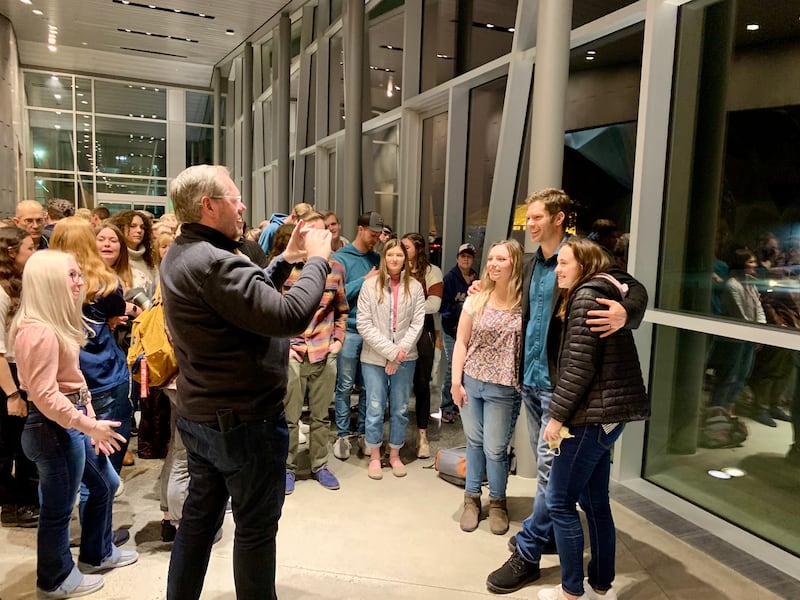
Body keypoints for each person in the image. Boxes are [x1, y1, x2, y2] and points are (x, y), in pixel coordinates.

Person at [159, 164, 331, 600]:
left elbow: (243, 301)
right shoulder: (215, 262)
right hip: (244, 425)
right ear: (208, 205)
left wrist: (285, 261)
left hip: (204, 416)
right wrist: (317, 261)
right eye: (235, 199)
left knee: (198, 522)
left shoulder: (183, 250)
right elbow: (288, 315)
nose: (243, 207)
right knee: (255, 530)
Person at [486, 188, 647, 594]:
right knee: (558, 480)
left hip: (565, 392)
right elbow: (508, 294)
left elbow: (635, 290)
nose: (530, 224)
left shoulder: (585, 258)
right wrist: (480, 292)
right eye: (528, 217)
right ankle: (556, 543)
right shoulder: (531, 263)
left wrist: (626, 312)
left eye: (537, 217)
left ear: (559, 219)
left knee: (551, 479)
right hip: (532, 381)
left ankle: (529, 552)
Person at [13, 250, 136, 599]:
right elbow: (45, 395)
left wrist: (90, 420)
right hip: (53, 428)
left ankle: (98, 553)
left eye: (78, 274)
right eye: (71, 275)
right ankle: (54, 579)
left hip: (69, 422)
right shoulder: (38, 331)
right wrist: (88, 424)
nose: (80, 282)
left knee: (105, 483)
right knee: (59, 508)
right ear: (49, 281)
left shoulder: (54, 324)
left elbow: (74, 380)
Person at [538, 238, 649, 600]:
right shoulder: (604, 288)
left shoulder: (586, 296)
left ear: (583, 265)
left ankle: (572, 592)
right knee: (596, 503)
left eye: (564, 263)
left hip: (590, 418)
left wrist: (556, 417)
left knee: (559, 502)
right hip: (607, 417)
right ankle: (600, 587)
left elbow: (578, 367)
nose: (557, 270)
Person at [451, 239, 523, 535]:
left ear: (514, 263)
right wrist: (455, 382)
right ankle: (471, 499)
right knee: (474, 442)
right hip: (472, 382)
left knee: (495, 449)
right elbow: (461, 342)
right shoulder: (476, 298)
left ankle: (497, 502)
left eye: (501, 259)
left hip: (504, 388)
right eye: (491, 258)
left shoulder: (525, 303)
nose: (493, 264)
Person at [51, 218, 133, 475]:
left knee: (69, 457)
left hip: (60, 380)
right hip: (102, 373)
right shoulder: (104, 281)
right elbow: (118, 309)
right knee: (106, 454)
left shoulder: (42, 280)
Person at [275, 214, 349, 494]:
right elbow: (273, 311)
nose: (321, 238)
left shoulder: (336, 268)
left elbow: (342, 309)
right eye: (314, 233)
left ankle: (320, 465)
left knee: (320, 416)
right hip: (292, 351)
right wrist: (284, 345)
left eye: (324, 233)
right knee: (289, 417)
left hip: (324, 350)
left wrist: (338, 341)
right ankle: (288, 467)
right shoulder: (287, 268)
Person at [357, 238, 425, 479]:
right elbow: (364, 324)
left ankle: (395, 453)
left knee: (400, 408)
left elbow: (417, 323)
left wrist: (399, 354)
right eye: (390, 254)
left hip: (406, 357)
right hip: (374, 358)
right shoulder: (369, 286)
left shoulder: (415, 287)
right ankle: (375, 454)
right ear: (383, 257)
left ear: (405, 258)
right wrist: (391, 352)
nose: (395, 259)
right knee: (375, 407)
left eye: (399, 255)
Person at [331, 211, 383, 460]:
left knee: (368, 387)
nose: (376, 239)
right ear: (360, 229)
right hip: (349, 330)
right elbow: (336, 294)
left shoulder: (378, 258)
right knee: (344, 385)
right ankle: (342, 435)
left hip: (372, 332)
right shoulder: (340, 259)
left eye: (379, 235)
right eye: (373, 234)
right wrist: (365, 280)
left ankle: (363, 432)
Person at [0, 227, 38, 528]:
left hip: (20, 369)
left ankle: (21, 502)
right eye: (29, 248)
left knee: (23, 445)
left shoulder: (20, 286)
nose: (34, 253)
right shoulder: (1, 293)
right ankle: (16, 505)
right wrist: (12, 394)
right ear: (12, 253)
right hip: (8, 376)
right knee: (9, 447)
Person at [401, 232, 443, 458]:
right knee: (397, 386)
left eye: (406, 247)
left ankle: (422, 435)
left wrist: (405, 308)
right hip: (398, 332)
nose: (402, 251)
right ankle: (396, 437)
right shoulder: (398, 269)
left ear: (417, 249)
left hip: (422, 332)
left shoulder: (431, 272)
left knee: (422, 386)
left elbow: (434, 304)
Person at [439, 242, 478, 423]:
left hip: (470, 332)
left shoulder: (476, 279)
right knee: (452, 367)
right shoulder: (449, 279)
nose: (466, 259)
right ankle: (446, 406)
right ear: (458, 258)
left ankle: (458, 403)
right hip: (451, 330)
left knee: (465, 367)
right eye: (463, 256)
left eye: (469, 257)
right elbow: (443, 308)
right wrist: (462, 308)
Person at [108, 210, 157, 296]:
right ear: (120, 228)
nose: (139, 230)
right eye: (132, 226)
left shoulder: (150, 259)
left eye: (142, 227)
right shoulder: (114, 258)